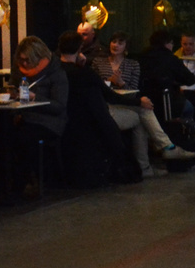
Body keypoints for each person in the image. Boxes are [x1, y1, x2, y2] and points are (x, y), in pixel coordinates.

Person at [52, 31, 137, 185]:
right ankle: (144, 165)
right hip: (90, 122)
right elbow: (109, 95)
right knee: (139, 116)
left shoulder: (55, 71)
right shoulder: (85, 74)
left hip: (63, 122)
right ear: (79, 49)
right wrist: (138, 101)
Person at [7, 37, 68, 196]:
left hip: (49, 121)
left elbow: (59, 106)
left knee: (23, 139)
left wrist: (35, 98)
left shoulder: (57, 74)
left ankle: (18, 184)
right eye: (21, 60)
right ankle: (9, 184)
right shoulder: (18, 71)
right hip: (25, 118)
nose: (24, 64)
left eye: (28, 60)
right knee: (3, 136)